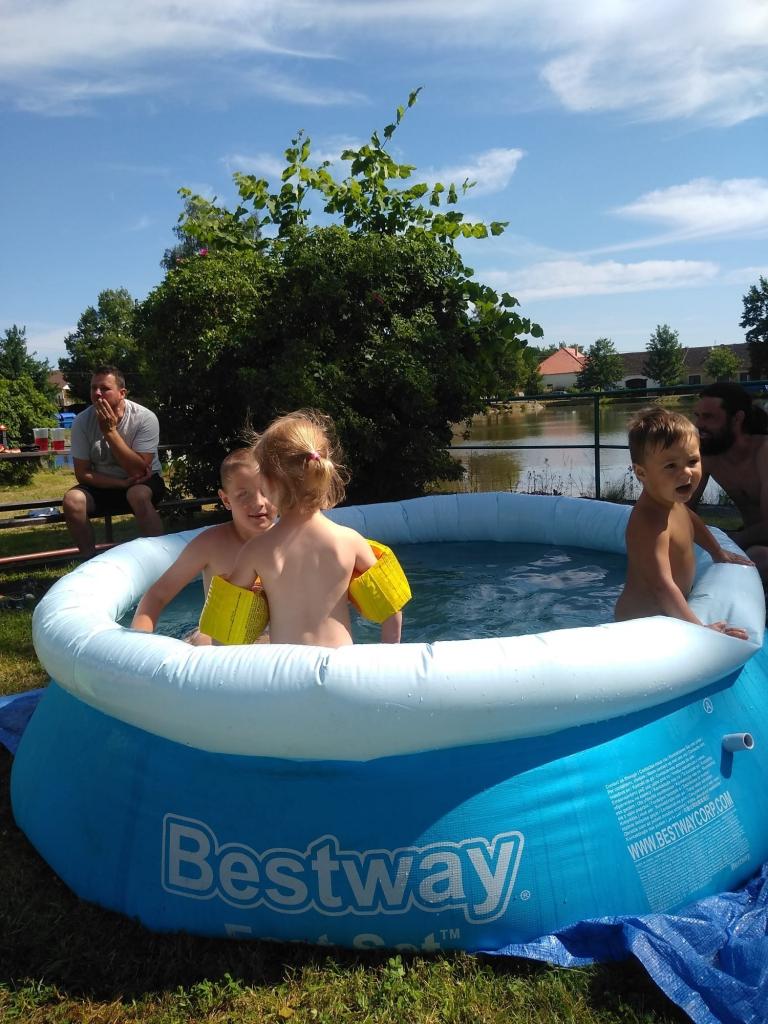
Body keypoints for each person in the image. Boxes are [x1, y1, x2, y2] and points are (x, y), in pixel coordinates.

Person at [226, 410, 403, 647]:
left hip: (288, 664)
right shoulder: (349, 541)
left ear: (267, 483)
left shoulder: (256, 549)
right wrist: (388, 653)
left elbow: (226, 623)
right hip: (340, 663)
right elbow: (392, 608)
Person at [615, 406, 751, 637]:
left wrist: (718, 552)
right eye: (671, 466)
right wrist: (701, 631)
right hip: (640, 625)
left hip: (666, 613)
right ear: (642, 473)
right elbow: (661, 586)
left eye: (692, 461)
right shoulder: (648, 522)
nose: (686, 473)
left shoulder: (671, 502)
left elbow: (692, 522)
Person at [131, 449, 276, 644]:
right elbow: (157, 595)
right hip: (218, 643)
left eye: (267, 491)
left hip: (270, 644)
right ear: (226, 500)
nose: (259, 503)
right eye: (243, 495)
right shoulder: (210, 544)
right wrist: (139, 643)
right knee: (202, 640)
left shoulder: (291, 544)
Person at [63, 366, 166, 556]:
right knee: (72, 500)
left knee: (137, 494)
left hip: (144, 481)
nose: (97, 393)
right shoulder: (82, 421)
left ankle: (160, 557)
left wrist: (110, 432)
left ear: (122, 393)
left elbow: (139, 471)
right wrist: (120, 483)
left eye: (104, 388)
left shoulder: (144, 418)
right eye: (93, 388)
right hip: (104, 484)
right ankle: (89, 560)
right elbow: (82, 473)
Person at [689, 383, 768, 580]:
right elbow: (683, 509)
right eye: (697, 416)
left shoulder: (764, 450)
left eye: (708, 417)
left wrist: (729, 543)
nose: (698, 425)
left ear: (737, 418)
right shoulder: (709, 455)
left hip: (754, 545)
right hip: (751, 540)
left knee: (759, 557)